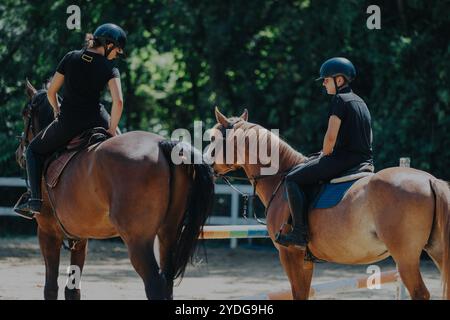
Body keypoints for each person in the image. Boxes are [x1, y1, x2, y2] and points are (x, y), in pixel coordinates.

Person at [15, 23, 126, 219]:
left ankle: (35, 201)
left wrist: (57, 110)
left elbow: (51, 92)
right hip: (98, 118)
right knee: (123, 146)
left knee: (32, 150)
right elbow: (118, 101)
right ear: (108, 45)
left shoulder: (71, 57)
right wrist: (112, 129)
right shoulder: (110, 67)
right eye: (117, 50)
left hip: (69, 122)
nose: (117, 54)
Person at [275, 57, 373, 249]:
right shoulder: (360, 101)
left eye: (326, 80)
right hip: (364, 160)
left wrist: (325, 153)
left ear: (339, 80)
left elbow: (330, 138)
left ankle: (300, 233)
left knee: (292, 179)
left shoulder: (340, 100)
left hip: (343, 160)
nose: (324, 84)